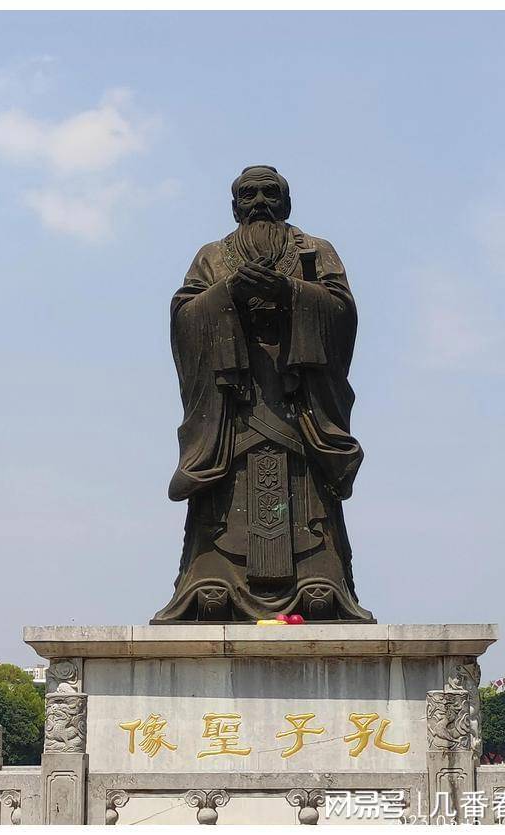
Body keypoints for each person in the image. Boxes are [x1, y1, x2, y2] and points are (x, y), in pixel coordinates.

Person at [152, 166, 374, 623]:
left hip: (300, 402)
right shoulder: (213, 256)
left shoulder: (315, 251)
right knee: (223, 498)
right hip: (232, 407)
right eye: (248, 194)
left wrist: (292, 291)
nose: (259, 202)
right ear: (234, 206)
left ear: (286, 203)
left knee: (308, 495)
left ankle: (320, 581)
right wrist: (227, 293)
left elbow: (342, 312)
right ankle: (211, 581)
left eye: (269, 193)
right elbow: (185, 316)